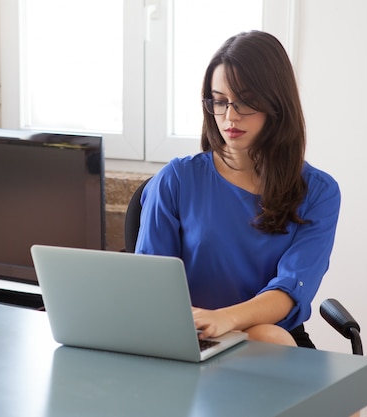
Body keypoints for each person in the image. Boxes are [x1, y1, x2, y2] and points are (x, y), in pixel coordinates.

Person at [135, 30, 340, 348]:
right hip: (191, 334)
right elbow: (150, 284)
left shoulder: (318, 192)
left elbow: (290, 290)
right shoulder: (176, 179)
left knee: (267, 337)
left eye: (245, 102)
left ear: (276, 103)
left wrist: (226, 319)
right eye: (219, 102)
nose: (230, 116)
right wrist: (197, 324)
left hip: (273, 337)